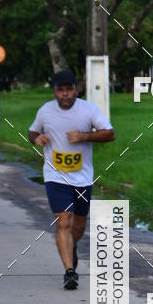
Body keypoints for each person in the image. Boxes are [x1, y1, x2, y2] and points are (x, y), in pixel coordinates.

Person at [28, 69, 116, 289]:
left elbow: (110, 133)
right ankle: (69, 272)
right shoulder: (45, 111)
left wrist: (85, 136)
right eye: (61, 90)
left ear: (77, 89)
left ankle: (71, 246)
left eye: (69, 89)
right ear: (55, 91)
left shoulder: (88, 110)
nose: (65, 94)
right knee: (63, 221)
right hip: (55, 176)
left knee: (78, 225)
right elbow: (32, 131)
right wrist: (37, 138)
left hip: (82, 178)